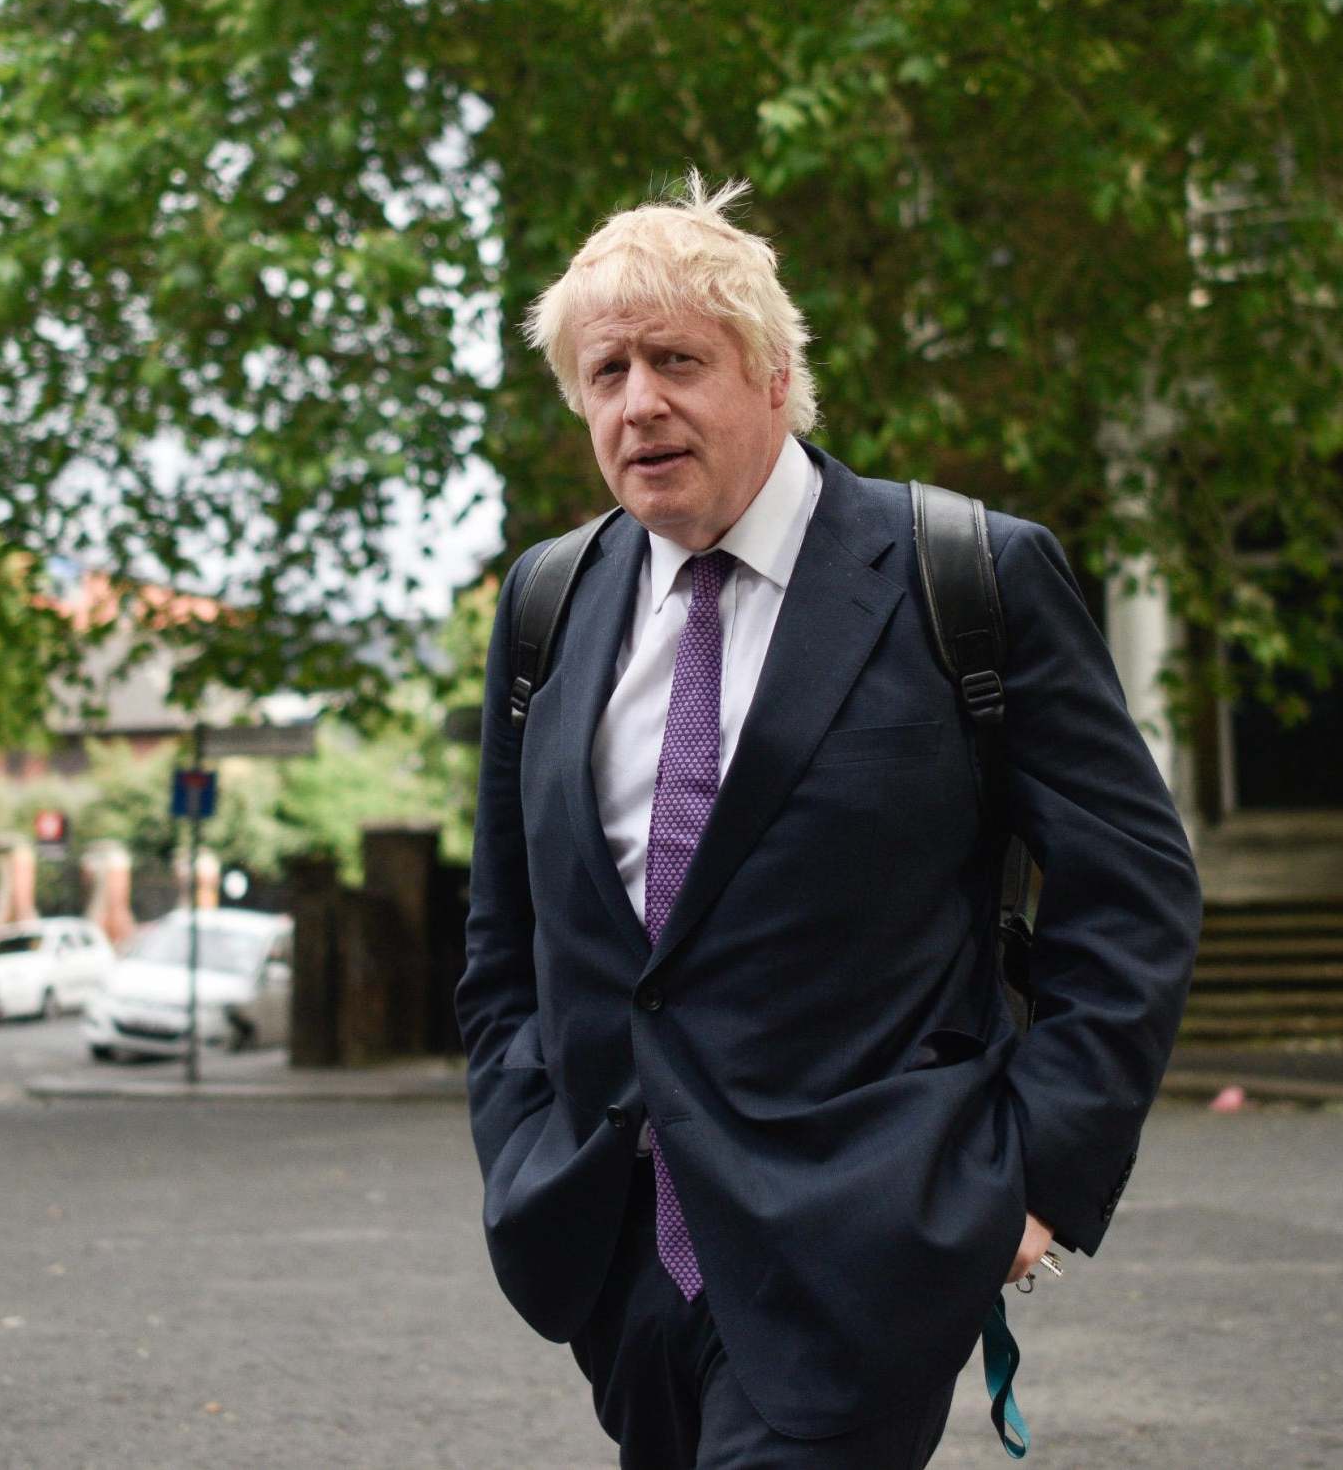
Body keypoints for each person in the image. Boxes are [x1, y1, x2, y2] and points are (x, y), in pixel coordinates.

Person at [456, 175, 1201, 1468]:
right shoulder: (547, 603)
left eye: (676, 360)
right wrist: (526, 1141)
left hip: (868, 1235)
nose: (638, 403)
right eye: (605, 372)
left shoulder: (963, 575)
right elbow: (503, 933)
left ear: (774, 371)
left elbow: (1129, 892)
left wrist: (1031, 1176)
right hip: (622, 1252)